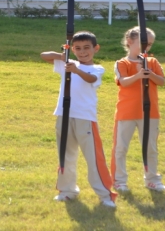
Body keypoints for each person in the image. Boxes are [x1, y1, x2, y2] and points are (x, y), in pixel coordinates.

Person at [40, 31, 117, 208]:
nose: (82, 52)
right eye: (78, 48)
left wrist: (76, 69)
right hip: (64, 114)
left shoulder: (96, 68)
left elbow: (91, 79)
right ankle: (67, 190)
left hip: (85, 117)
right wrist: (63, 55)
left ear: (95, 49)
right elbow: (44, 55)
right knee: (65, 155)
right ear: (72, 50)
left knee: (93, 157)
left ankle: (105, 194)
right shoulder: (68, 63)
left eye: (86, 48)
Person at [110, 26, 165, 193]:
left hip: (150, 112)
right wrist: (138, 75)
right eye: (144, 43)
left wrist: (149, 74)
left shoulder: (153, 62)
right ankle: (119, 180)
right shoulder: (122, 63)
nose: (147, 47)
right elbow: (123, 81)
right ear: (130, 42)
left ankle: (152, 179)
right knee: (121, 147)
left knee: (150, 147)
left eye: (149, 44)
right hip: (127, 112)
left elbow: (162, 81)